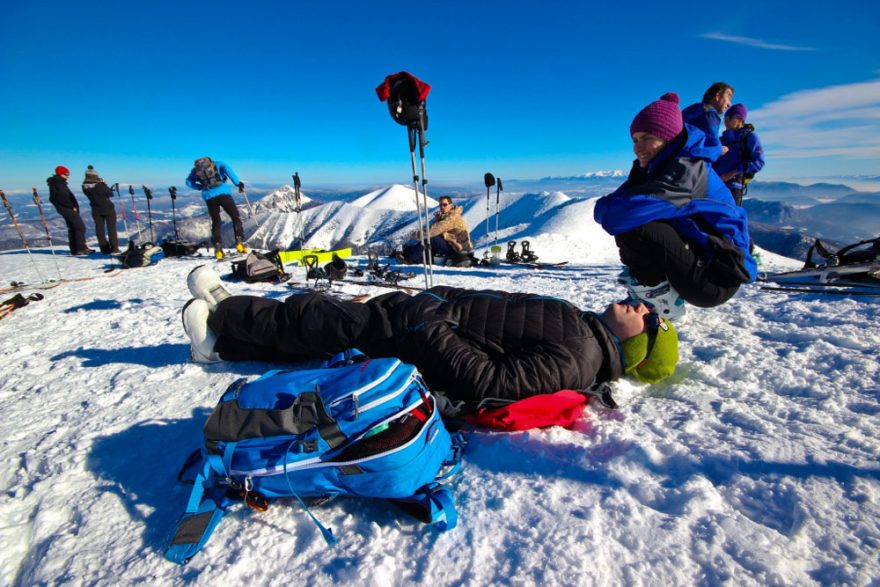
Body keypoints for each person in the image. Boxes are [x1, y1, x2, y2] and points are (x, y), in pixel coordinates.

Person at [180, 266, 679, 403]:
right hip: (427, 314)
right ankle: (222, 343)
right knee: (321, 328)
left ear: (637, 347)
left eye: (648, 320)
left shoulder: (577, 358)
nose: (641, 307)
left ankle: (225, 315)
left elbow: (490, 382)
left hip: (415, 332)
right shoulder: (584, 327)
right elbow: (500, 309)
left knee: (314, 319)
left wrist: (426, 323)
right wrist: (443, 294)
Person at [594, 92, 757, 320]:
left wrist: (614, 208)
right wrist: (613, 208)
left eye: (647, 138)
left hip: (718, 277)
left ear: (669, 138)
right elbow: (608, 207)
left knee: (636, 225)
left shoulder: (686, 173)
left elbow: (614, 217)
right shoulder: (655, 168)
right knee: (637, 217)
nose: (638, 147)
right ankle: (655, 291)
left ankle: (661, 301)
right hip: (706, 261)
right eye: (635, 139)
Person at [186, 157, 247, 260]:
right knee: (235, 217)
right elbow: (229, 172)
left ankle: (218, 250)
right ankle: (239, 244)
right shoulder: (218, 164)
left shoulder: (195, 170)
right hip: (224, 193)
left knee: (216, 221)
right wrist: (238, 183)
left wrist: (201, 187)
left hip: (209, 197)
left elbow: (188, 182)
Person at [713, 104, 765, 206]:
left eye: (729, 118)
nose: (725, 121)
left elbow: (759, 162)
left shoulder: (750, 138)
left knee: (727, 219)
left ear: (740, 119)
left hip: (733, 187)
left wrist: (733, 173)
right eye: (725, 118)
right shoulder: (722, 140)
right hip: (715, 184)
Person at [400, 196, 474, 267]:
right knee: (434, 238)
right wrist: (438, 220)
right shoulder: (450, 215)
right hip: (454, 246)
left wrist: (415, 235)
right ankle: (409, 252)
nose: (442, 207)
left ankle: (410, 259)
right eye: (440, 205)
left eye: (445, 205)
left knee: (431, 238)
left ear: (451, 205)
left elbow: (432, 231)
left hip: (457, 249)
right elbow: (439, 229)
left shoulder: (451, 218)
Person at [681, 82, 734, 162]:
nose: (729, 104)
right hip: (689, 166)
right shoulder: (710, 114)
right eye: (729, 98)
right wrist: (720, 150)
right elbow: (711, 148)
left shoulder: (690, 109)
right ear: (718, 95)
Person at [47, 165, 93, 255]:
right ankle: (81, 248)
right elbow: (62, 197)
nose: (68, 176)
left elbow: (53, 198)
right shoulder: (59, 183)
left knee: (73, 228)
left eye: (68, 174)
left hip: (65, 209)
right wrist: (71, 206)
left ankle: (75, 249)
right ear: (60, 174)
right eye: (66, 174)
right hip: (68, 209)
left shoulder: (57, 183)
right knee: (79, 227)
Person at [81, 165, 120, 254]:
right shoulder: (100, 185)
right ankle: (114, 248)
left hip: (95, 209)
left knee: (99, 229)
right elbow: (109, 193)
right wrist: (103, 183)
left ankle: (104, 248)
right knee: (111, 229)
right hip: (107, 209)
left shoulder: (84, 186)